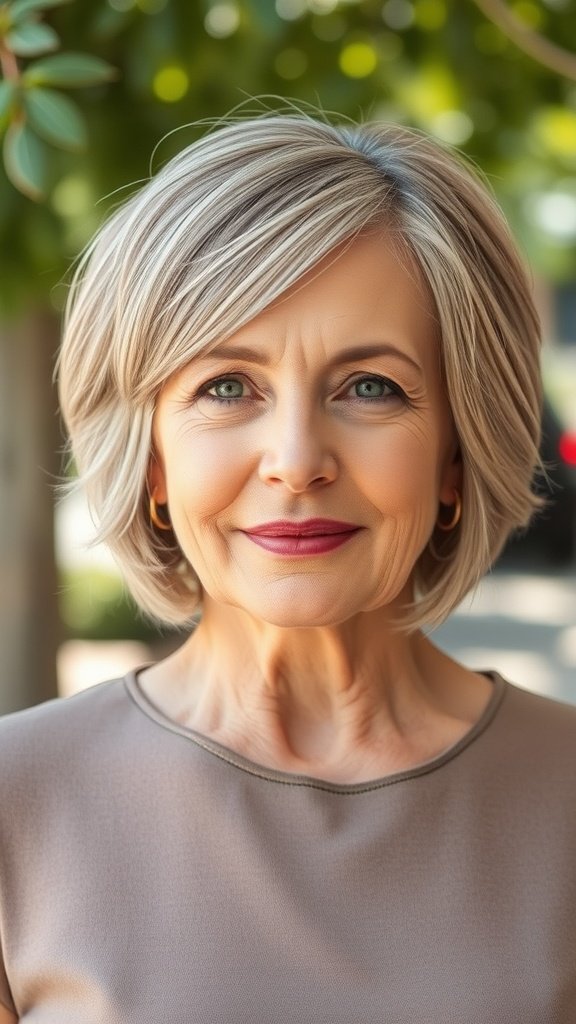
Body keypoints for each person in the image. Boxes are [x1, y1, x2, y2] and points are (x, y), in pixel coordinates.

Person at [0, 111, 575, 1023]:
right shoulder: (14, 805)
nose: (296, 459)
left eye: (370, 387)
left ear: (458, 453)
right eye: (227, 386)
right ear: (151, 459)